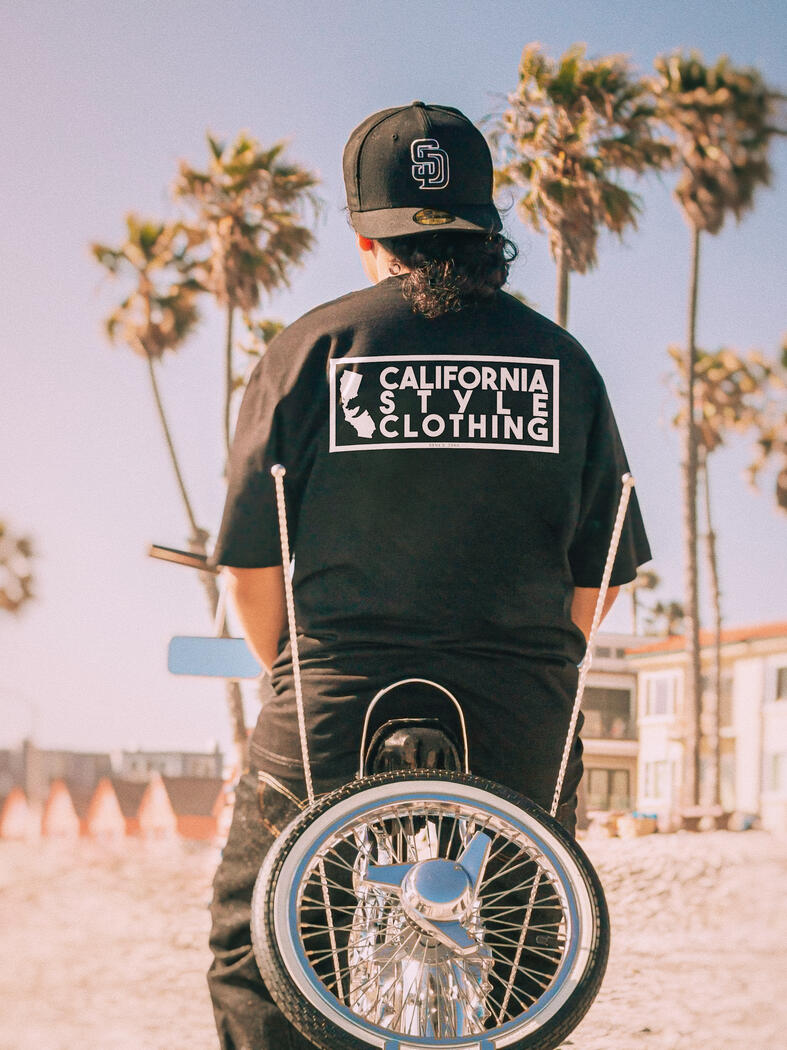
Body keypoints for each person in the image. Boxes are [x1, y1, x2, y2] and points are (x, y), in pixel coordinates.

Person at [207, 100, 651, 1050]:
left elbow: (249, 565)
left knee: (258, 950)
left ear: (367, 237)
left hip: (336, 691)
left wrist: (289, 668)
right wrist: (540, 660)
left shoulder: (310, 347)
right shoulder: (562, 363)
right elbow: (599, 571)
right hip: (517, 702)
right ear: (486, 227)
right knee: (528, 955)